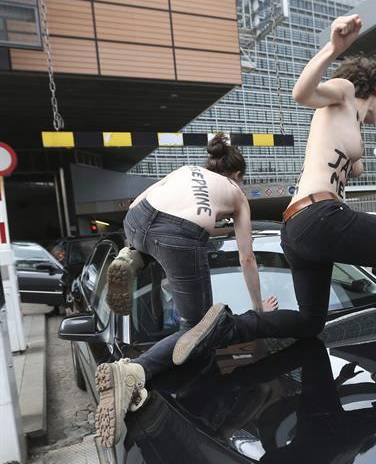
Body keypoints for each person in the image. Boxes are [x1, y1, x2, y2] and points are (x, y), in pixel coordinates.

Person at [171, 14, 376, 387]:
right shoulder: (343, 90)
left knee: (310, 322)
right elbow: (302, 93)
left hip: (299, 228)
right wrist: (334, 49)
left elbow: (344, 166)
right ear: (372, 87)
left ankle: (229, 327)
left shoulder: (348, 122)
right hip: (321, 216)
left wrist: (356, 158)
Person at [94, 134, 279, 447]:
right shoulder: (236, 193)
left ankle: (131, 257)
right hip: (178, 234)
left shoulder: (186, 170)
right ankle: (133, 373)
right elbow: (246, 257)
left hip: (135, 219)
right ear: (236, 176)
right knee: (197, 328)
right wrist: (259, 310)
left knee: (149, 240)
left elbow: (152, 205)